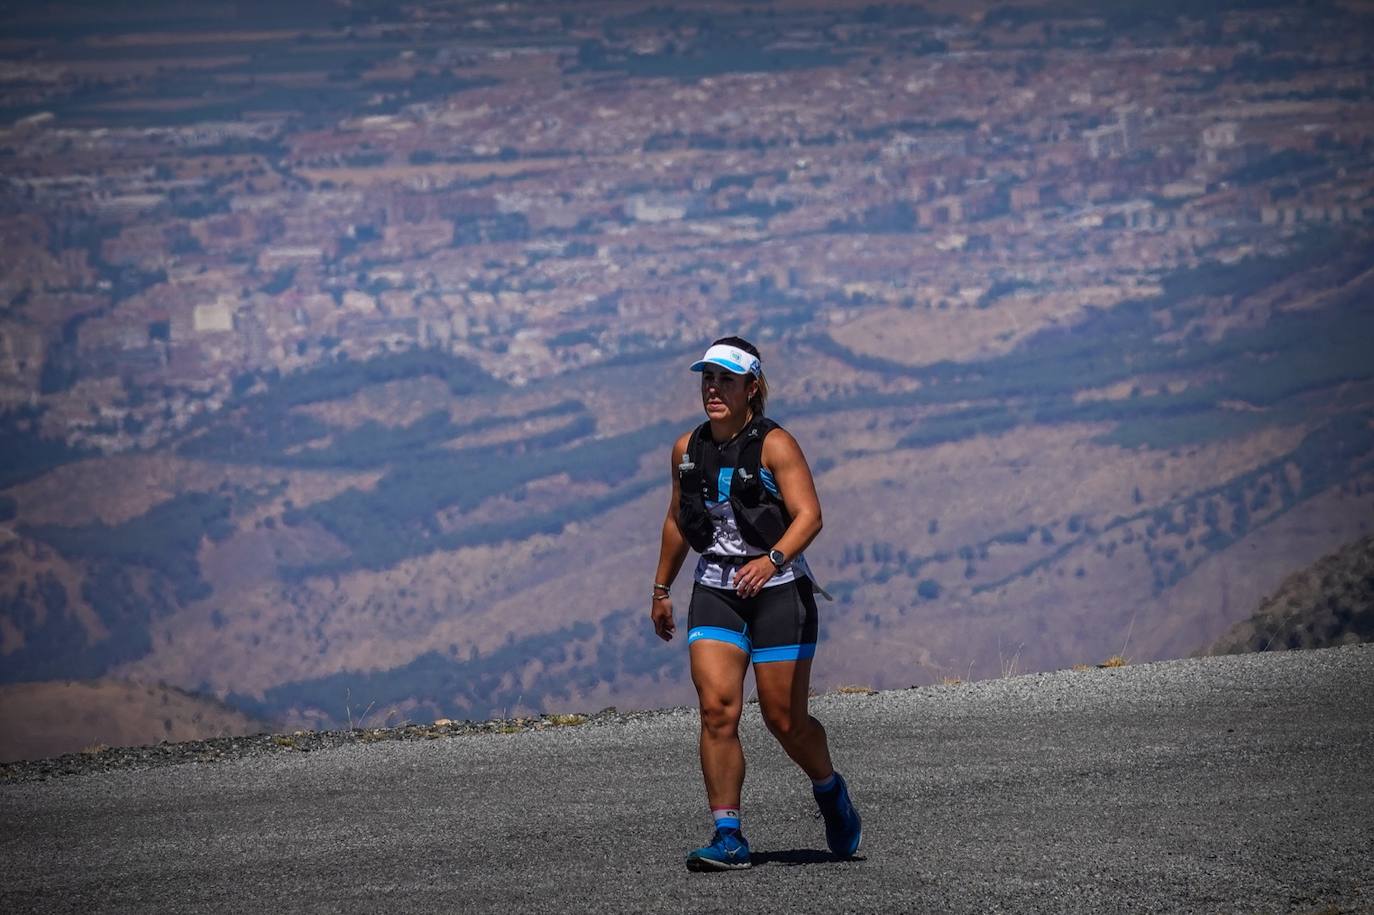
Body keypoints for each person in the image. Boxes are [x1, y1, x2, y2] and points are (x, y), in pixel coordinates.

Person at [651, 336, 862, 872]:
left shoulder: (776, 445)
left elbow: (809, 515)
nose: (713, 388)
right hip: (716, 589)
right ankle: (728, 835)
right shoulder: (686, 448)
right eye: (707, 378)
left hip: (779, 591)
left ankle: (829, 790)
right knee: (717, 708)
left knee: (783, 719)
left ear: (752, 387)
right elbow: (678, 519)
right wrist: (660, 589)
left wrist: (771, 559)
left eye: (725, 379)